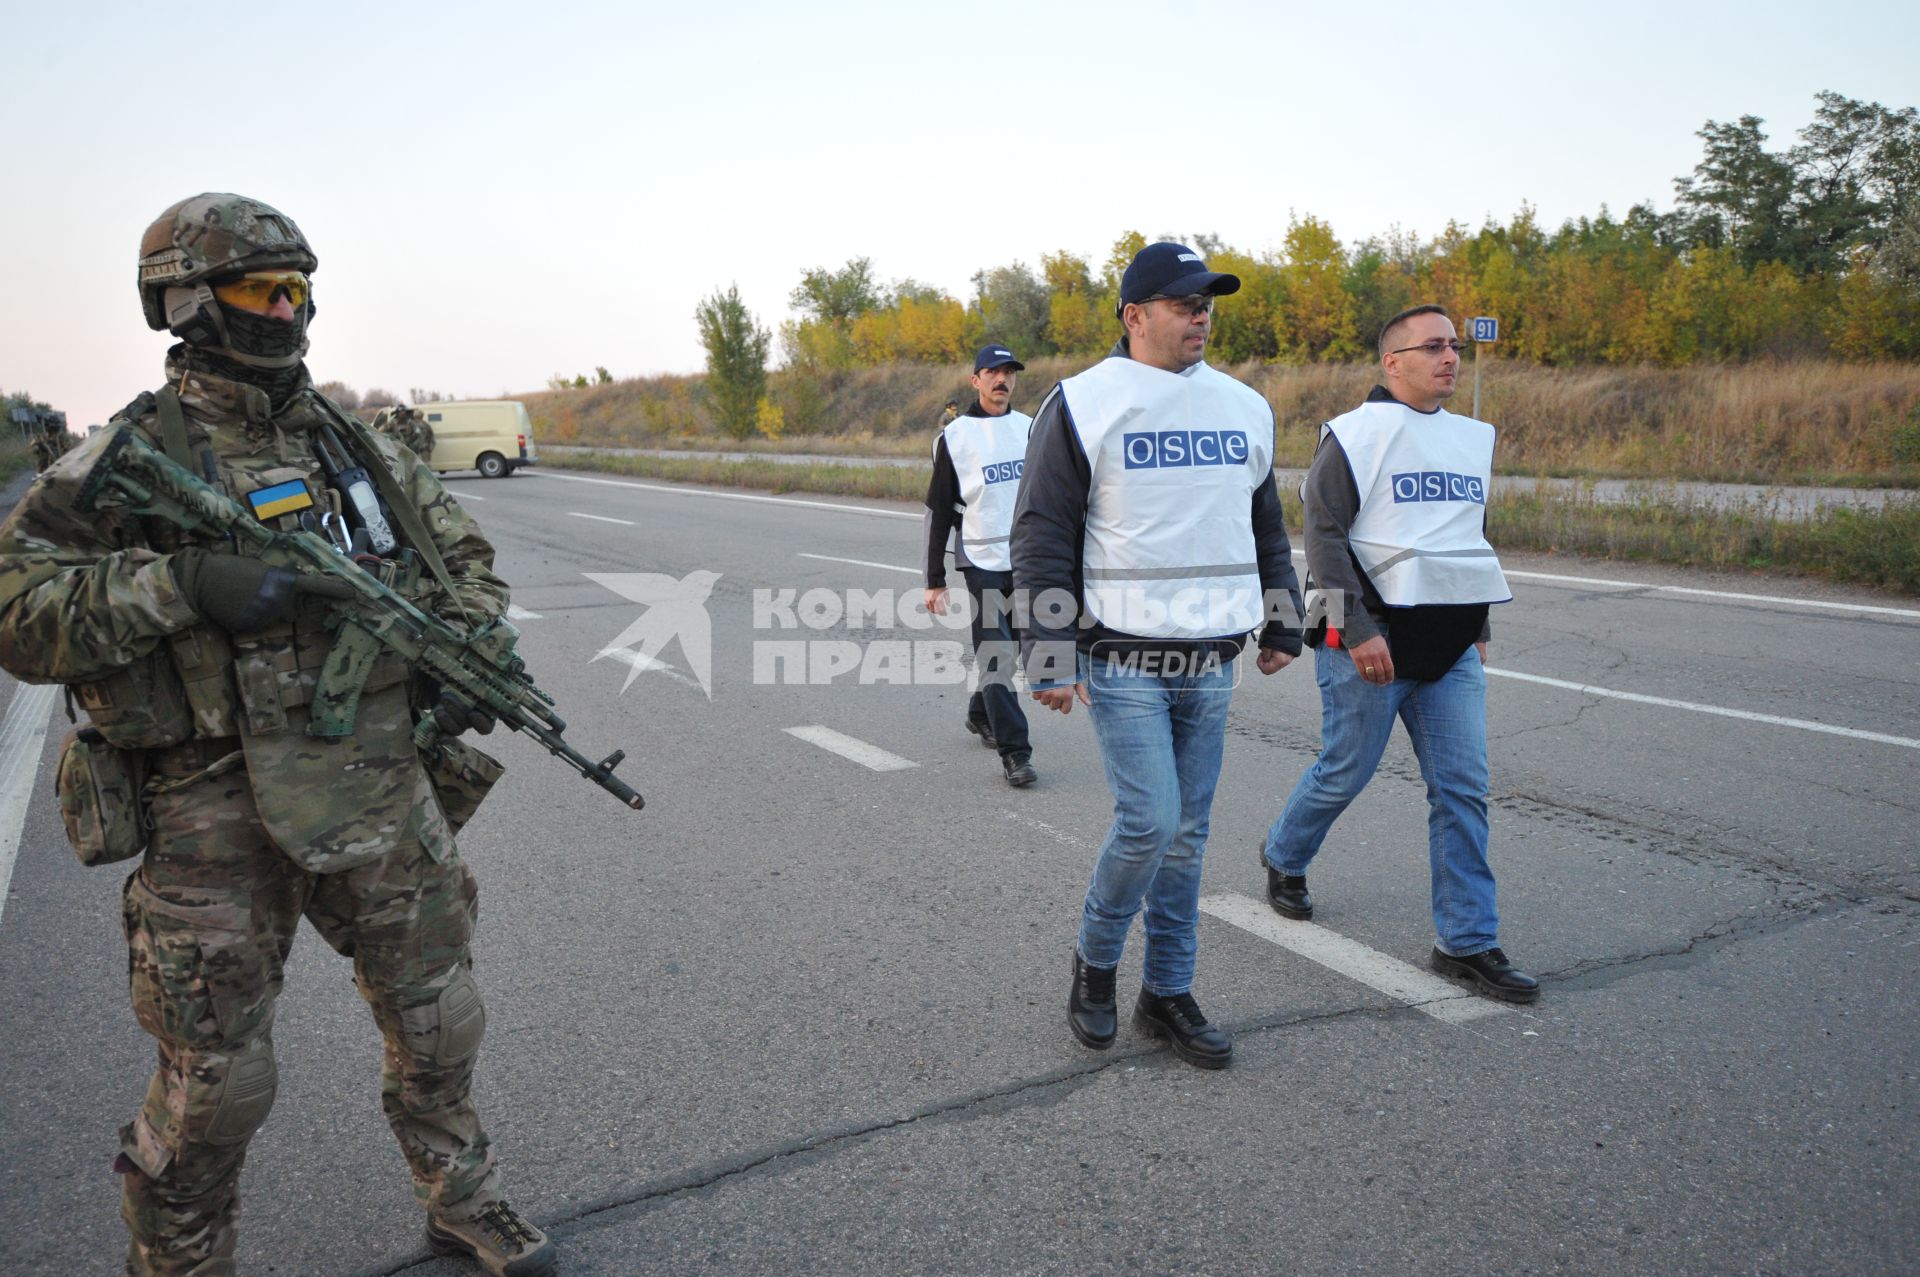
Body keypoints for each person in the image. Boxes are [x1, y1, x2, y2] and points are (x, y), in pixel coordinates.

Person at [0, 194, 556, 1276]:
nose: (288, 309)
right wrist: (182, 581)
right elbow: (18, 612)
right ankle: (182, 1258)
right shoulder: (130, 453)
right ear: (189, 301)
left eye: (299, 287)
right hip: (214, 803)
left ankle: (463, 1195)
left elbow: (463, 562)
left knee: (441, 1017)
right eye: (263, 288)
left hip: (378, 781)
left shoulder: (355, 441)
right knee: (217, 1083)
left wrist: (462, 647)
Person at [1012, 243, 1303, 1069]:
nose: (1201, 314)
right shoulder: (1083, 402)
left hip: (1213, 658)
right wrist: (1049, 652)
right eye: (1183, 303)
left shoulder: (1244, 405)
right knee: (1151, 821)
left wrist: (1282, 624)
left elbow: (1264, 527)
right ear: (1135, 316)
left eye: (1207, 301)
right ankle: (1096, 968)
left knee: (1189, 834)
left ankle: (1167, 992)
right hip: (1122, 657)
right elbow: (1042, 535)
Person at [1258, 304, 1537, 1003]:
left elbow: (1465, 535)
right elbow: (1320, 540)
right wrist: (1354, 632)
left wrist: (1480, 624)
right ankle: (1283, 854)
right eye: (1433, 346)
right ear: (1393, 362)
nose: (1451, 357)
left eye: (1454, 346)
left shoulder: (1471, 440)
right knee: (1345, 769)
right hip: (1365, 643)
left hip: (1449, 651)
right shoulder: (1354, 436)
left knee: (1463, 789)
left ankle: (1466, 942)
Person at [924, 344, 1036, 786]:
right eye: (992, 371)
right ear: (976, 380)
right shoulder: (955, 437)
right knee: (996, 651)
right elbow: (939, 512)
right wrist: (934, 578)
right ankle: (1016, 753)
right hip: (982, 561)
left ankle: (979, 711)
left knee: (1013, 651)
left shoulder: (1032, 428)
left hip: (1029, 561)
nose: (1001, 379)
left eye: (1009, 372)